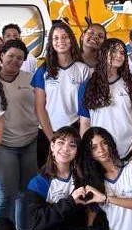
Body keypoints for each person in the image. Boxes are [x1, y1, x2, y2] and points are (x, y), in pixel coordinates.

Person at [0, 40, 40, 230]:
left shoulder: (30, 79)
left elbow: (42, 107)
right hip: (4, 144)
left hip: (30, 141)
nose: (15, 61)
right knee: (6, 195)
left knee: (26, 194)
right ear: (1, 55)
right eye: (10, 55)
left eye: (20, 58)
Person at [32, 22, 92, 164]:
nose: (61, 41)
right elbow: (39, 108)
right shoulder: (43, 70)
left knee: (74, 174)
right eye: (56, 38)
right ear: (51, 43)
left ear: (71, 40)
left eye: (65, 37)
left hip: (74, 130)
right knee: (47, 176)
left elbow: (86, 107)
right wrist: (51, 138)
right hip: (48, 132)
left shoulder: (83, 69)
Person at [78, 38, 132, 160]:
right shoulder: (87, 86)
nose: (119, 56)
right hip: (99, 153)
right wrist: (86, 152)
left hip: (129, 151)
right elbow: (85, 122)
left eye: (122, 53)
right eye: (114, 51)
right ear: (103, 53)